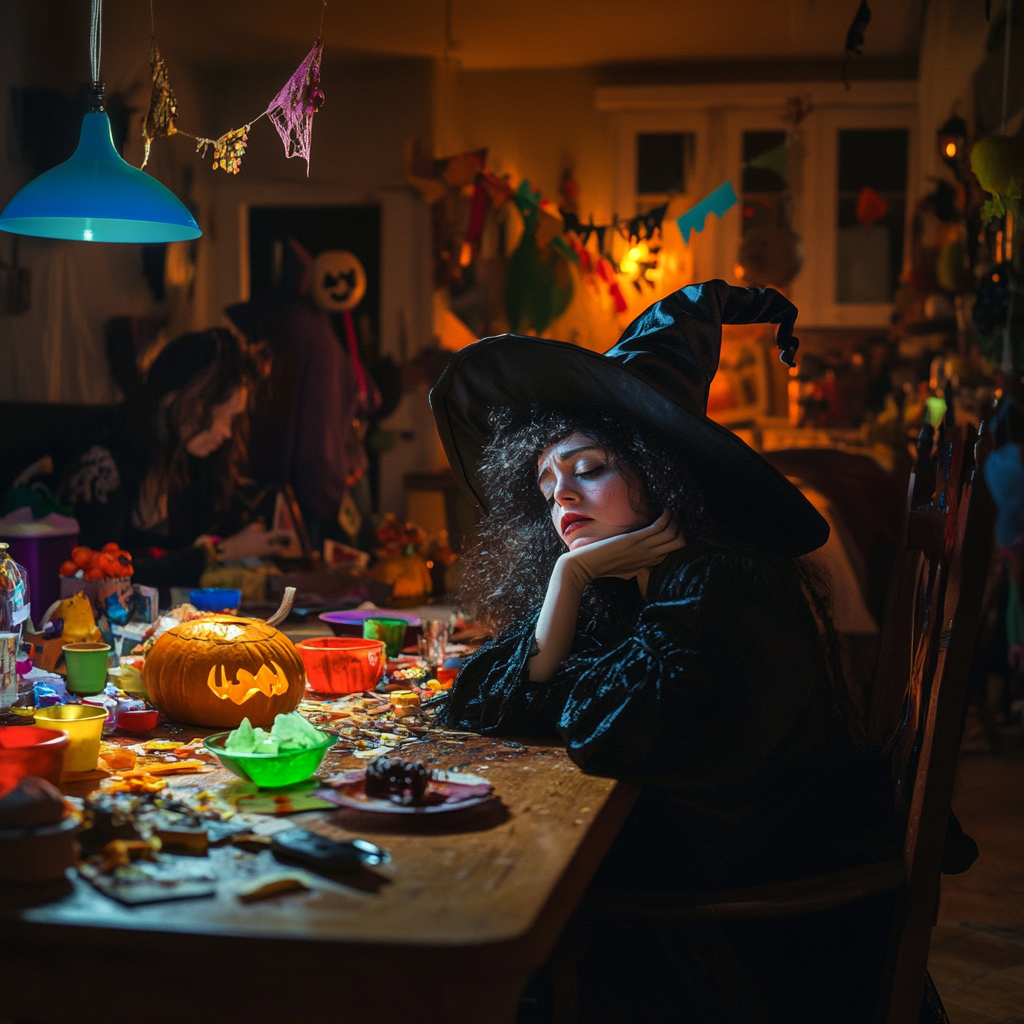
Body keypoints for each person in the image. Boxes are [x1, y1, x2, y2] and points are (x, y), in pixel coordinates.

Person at [429, 281, 901, 1022]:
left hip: (748, 908)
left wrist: (575, 607)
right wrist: (567, 582)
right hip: (697, 851)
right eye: (548, 484)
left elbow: (604, 731)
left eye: (588, 468)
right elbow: (478, 697)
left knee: (490, 887)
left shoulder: (720, 584)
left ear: (661, 470)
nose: (563, 501)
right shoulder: (628, 585)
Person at [60, 329, 295, 588]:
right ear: (178, 399)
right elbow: (95, 576)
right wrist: (218, 553)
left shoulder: (190, 466)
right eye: (221, 416)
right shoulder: (103, 465)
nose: (227, 432)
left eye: (233, 419)